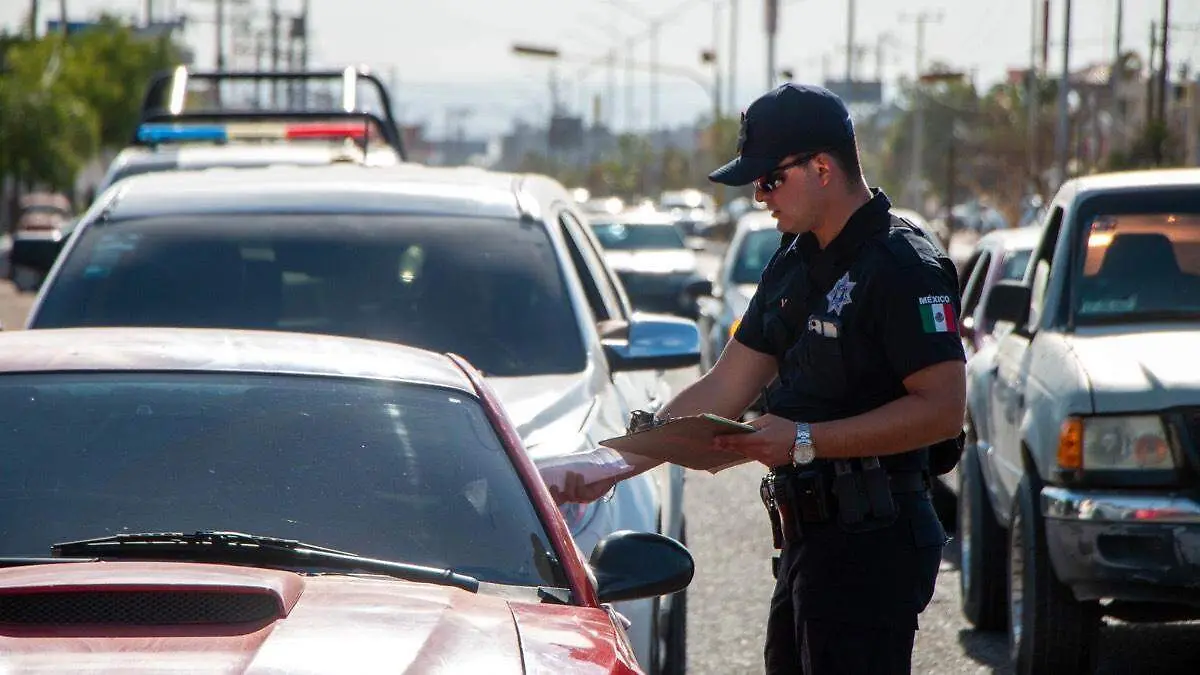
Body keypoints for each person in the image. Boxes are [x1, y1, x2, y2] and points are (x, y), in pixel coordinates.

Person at [553, 82, 966, 674]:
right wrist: (612, 463)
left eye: (770, 179)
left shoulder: (904, 266)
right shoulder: (795, 259)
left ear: (821, 168)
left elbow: (942, 410)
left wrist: (804, 440)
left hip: (875, 542)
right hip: (809, 542)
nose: (758, 196)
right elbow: (725, 385)